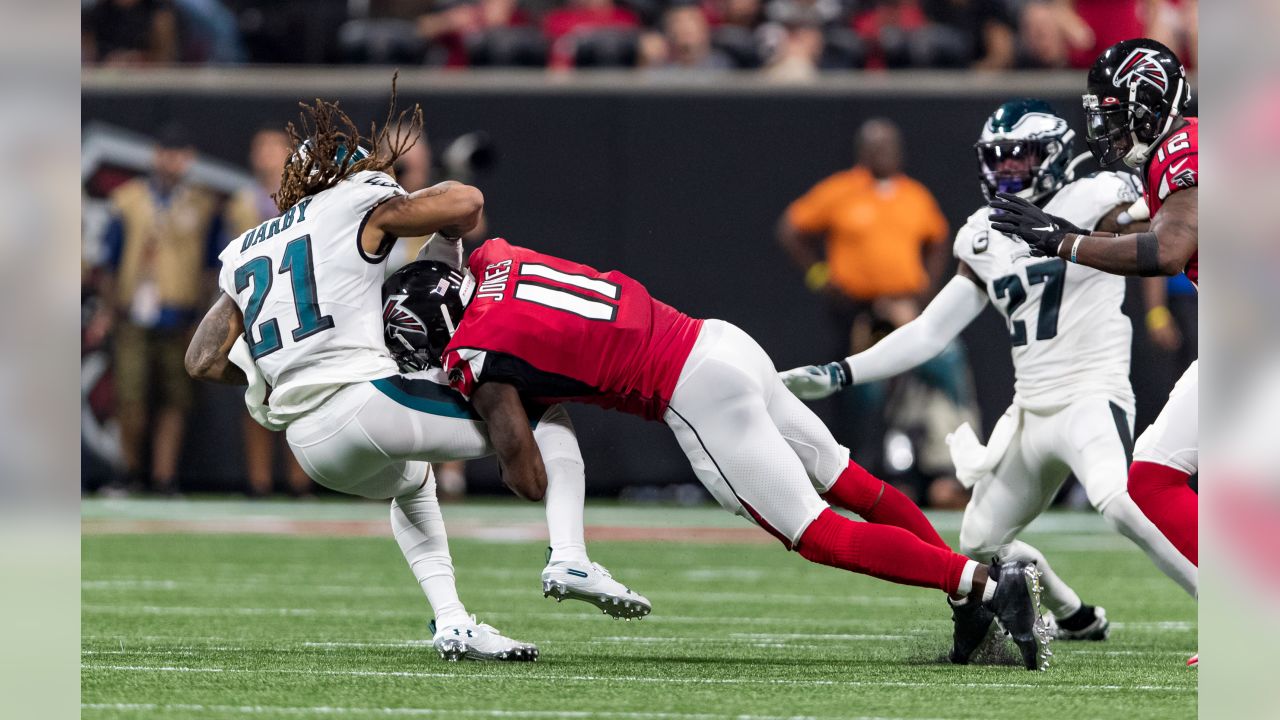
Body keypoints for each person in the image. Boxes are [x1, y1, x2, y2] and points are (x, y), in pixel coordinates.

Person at [392, 238, 1053, 672]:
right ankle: (970, 598)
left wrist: (485, 406)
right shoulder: (493, 257)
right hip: (717, 339)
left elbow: (529, 480)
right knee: (851, 481)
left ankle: (987, 586)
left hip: (694, 392)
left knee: (817, 534)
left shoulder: (474, 355)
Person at [184, 82, 649, 662]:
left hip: (310, 445)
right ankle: (569, 554)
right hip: (366, 403)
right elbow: (467, 204)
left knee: (412, 483)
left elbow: (201, 360)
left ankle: (453, 621)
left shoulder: (249, 244)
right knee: (544, 407)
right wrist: (430, 215)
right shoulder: (354, 203)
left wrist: (275, 375)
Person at [780, 99, 1198, 642]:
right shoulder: (985, 231)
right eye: (996, 159)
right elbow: (931, 330)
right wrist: (843, 372)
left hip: (1093, 392)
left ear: (1052, 155)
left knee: (1120, 501)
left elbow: (1166, 227)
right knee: (978, 541)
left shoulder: (1097, 196)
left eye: (1017, 159)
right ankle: (1073, 614)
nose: (1004, 172)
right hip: (1029, 408)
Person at [986, 38, 1197, 663]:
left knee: (1166, 479)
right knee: (1154, 477)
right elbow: (1163, 235)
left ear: (1148, 103)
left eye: (1112, 110)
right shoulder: (1181, 150)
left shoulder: (1186, 149)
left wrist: (1066, 242)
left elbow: (1169, 250)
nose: (1102, 125)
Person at [777, 118, 952, 472]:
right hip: (863, 312)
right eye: (877, 148)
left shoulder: (914, 194)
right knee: (866, 388)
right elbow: (791, 228)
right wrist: (820, 275)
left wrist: (926, 292)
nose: (885, 154)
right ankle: (863, 467)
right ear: (862, 152)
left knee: (947, 370)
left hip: (909, 309)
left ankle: (945, 468)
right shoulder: (841, 190)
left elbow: (938, 238)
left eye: (890, 147)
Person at [95, 124, 224, 495]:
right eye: (168, 153)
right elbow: (109, 260)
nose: (173, 161)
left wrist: (203, 316)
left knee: (175, 401)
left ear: (190, 159)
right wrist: (109, 309)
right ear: (156, 156)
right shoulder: (128, 199)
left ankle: (165, 477)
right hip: (133, 311)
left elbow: (210, 267)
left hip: (180, 310)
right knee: (130, 399)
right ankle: (130, 472)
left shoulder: (203, 204)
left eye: (180, 154)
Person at [224, 128, 313, 498]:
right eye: (258, 147)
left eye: (271, 147)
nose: (264, 155)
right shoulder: (241, 203)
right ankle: (259, 481)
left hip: (300, 306)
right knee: (258, 395)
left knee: (301, 395)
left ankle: (300, 482)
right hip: (257, 309)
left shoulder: (310, 199)